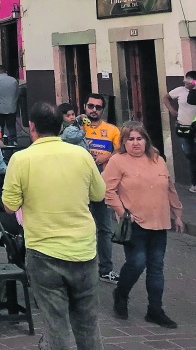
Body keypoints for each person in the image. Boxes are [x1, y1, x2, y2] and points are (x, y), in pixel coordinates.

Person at [2, 101, 106, 350]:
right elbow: (99, 194)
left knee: (56, 324)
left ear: (31, 127)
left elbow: (9, 205)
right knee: (88, 322)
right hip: (83, 249)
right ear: (61, 126)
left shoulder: (21, 159)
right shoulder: (81, 154)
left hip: (44, 251)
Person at [103, 121, 184, 328]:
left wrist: (178, 214)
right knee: (137, 263)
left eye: (139, 138)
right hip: (134, 223)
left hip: (160, 222)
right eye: (130, 139)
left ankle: (155, 310)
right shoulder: (117, 161)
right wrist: (122, 212)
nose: (135, 143)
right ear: (123, 141)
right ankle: (121, 294)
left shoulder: (157, 160)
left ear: (146, 140)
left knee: (156, 267)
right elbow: (107, 190)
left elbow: (169, 188)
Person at [81, 92, 121, 284]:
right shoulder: (77, 127)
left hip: (103, 185)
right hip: (80, 186)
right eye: (91, 106)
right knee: (82, 228)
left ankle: (106, 269)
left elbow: (122, 151)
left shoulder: (112, 130)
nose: (94, 110)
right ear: (84, 107)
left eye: (98, 107)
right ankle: (83, 269)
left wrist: (109, 156)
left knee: (104, 229)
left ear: (102, 110)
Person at [163, 71, 196, 191]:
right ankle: (195, 184)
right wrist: (171, 110)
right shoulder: (180, 90)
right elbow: (165, 97)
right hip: (184, 128)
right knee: (190, 154)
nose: (185, 81)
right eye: (185, 78)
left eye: (189, 79)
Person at [0, 64, 20, 145]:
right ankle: (13, 141)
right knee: (11, 126)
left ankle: (0, 143)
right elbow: (17, 93)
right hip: (11, 108)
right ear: (6, 71)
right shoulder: (13, 80)